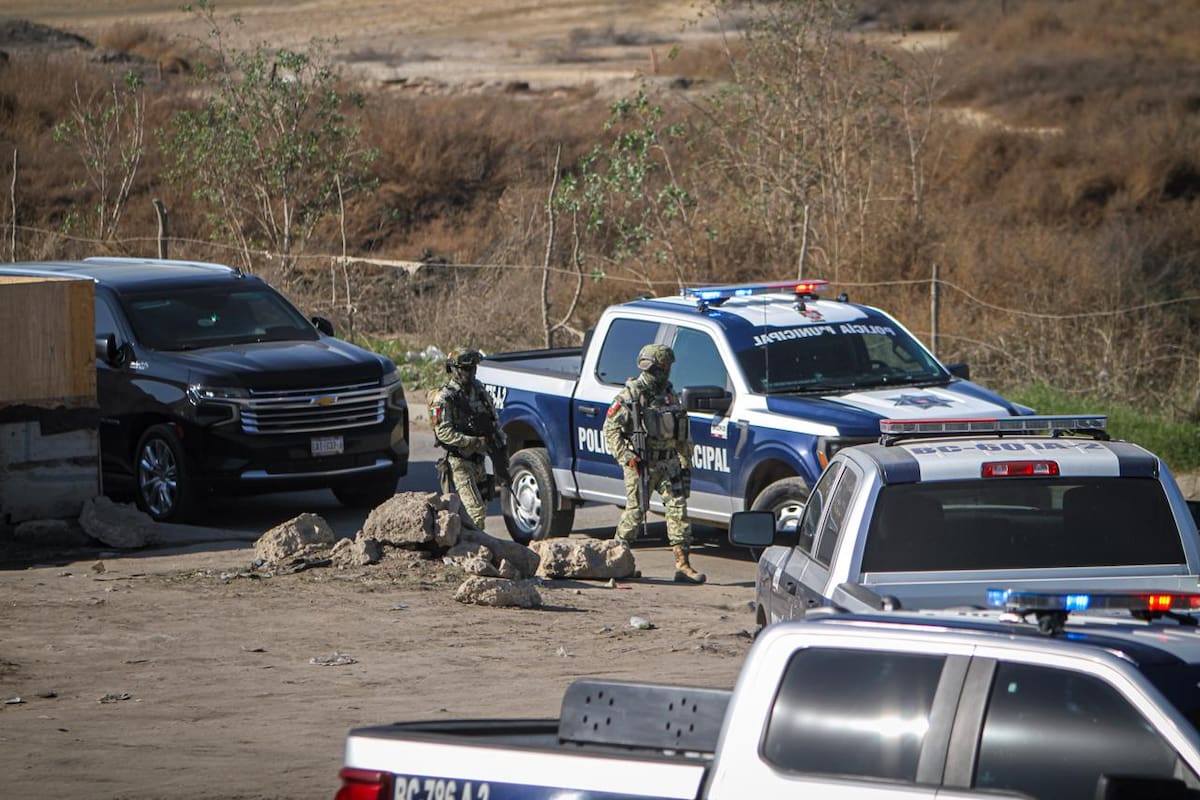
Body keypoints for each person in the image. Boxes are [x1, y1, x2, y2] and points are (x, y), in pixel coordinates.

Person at [602, 343, 705, 583]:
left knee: (678, 510)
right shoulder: (631, 395)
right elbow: (611, 429)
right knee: (636, 513)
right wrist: (627, 457)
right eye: (663, 366)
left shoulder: (669, 392)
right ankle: (615, 560)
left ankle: (683, 565)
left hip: (669, 463)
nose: (667, 371)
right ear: (651, 367)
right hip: (642, 464)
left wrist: (685, 458)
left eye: (668, 366)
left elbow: (681, 427)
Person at [428, 347, 505, 531]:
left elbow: (493, 419)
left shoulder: (478, 391)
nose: (471, 373)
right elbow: (443, 432)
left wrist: (499, 444)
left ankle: (465, 542)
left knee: (482, 507)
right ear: (454, 369)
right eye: (466, 369)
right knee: (475, 512)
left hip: (479, 460)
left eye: (473, 369)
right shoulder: (444, 398)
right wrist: (473, 441)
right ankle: (472, 552)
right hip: (459, 462)